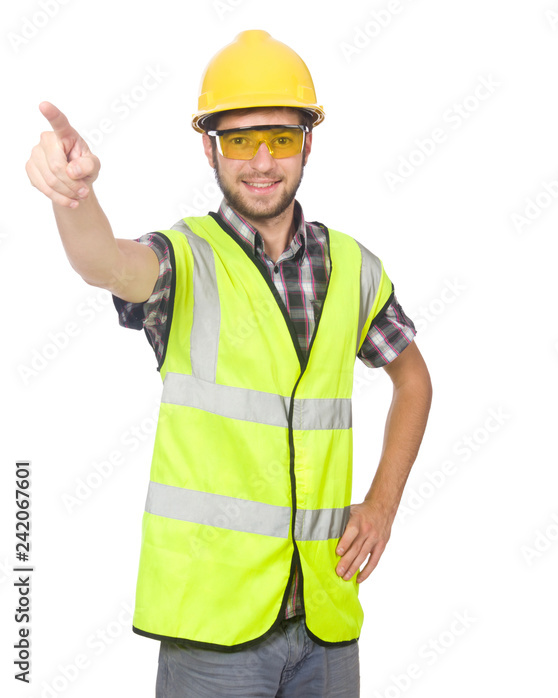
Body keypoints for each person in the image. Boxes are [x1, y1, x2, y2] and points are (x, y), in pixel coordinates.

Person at [26, 29, 432, 697]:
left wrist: (383, 504)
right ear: (209, 146)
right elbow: (104, 261)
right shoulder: (184, 260)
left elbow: (413, 379)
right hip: (212, 633)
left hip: (325, 619)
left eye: (280, 136)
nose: (262, 160)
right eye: (240, 140)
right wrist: (75, 198)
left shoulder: (355, 268)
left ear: (308, 140)